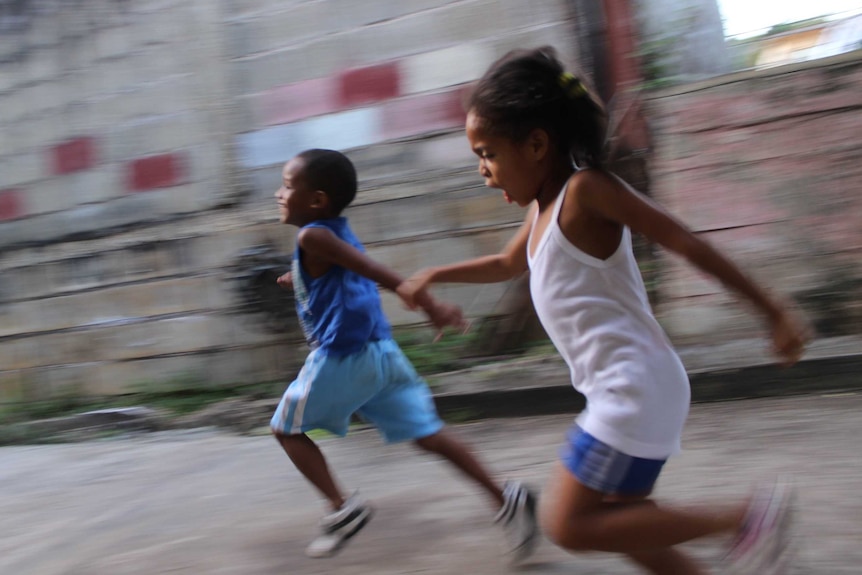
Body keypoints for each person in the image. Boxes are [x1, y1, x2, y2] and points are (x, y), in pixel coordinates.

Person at [398, 46, 810, 575]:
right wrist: (433, 275)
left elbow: (684, 241)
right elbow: (506, 262)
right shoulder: (542, 209)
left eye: (488, 153)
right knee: (623, 524)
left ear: (537, 144)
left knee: (566, 523)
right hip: (628, 386)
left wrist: (772, 311)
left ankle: (749, 518)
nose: (482, 170)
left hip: (632, 387)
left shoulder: (586, 191)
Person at [270, 148, 538, 560]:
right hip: (382, 353)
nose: (279, 193)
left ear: (317, 200)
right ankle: (505, 497)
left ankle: (342, 509)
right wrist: (299, 277)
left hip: (344, 357)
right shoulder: (331, 233)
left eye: (288, 186)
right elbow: (346, 271)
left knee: (286, 430)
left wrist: (429, 302)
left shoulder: (312, 236)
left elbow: (375, 271)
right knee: (428, 433)